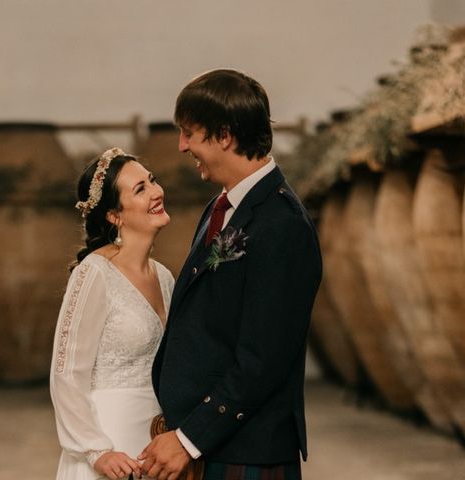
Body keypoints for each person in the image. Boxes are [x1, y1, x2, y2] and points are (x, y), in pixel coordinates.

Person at [140, 69, 322, 480]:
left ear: (224, 135)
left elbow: (262, 359)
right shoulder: (222, 206)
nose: (183, 145)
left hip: (246, 452)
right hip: (211, 444)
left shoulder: (283, 225)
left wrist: (189, 439)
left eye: (189, 132)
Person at [50, 147, 173, 480]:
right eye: (140, 189)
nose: (156, 191)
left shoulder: (164, 277)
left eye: (152, 180)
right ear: (114, 215)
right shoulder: (93, 274)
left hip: (156, 446)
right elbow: (65, 372)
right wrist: (96, 450)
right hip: (110, 446)